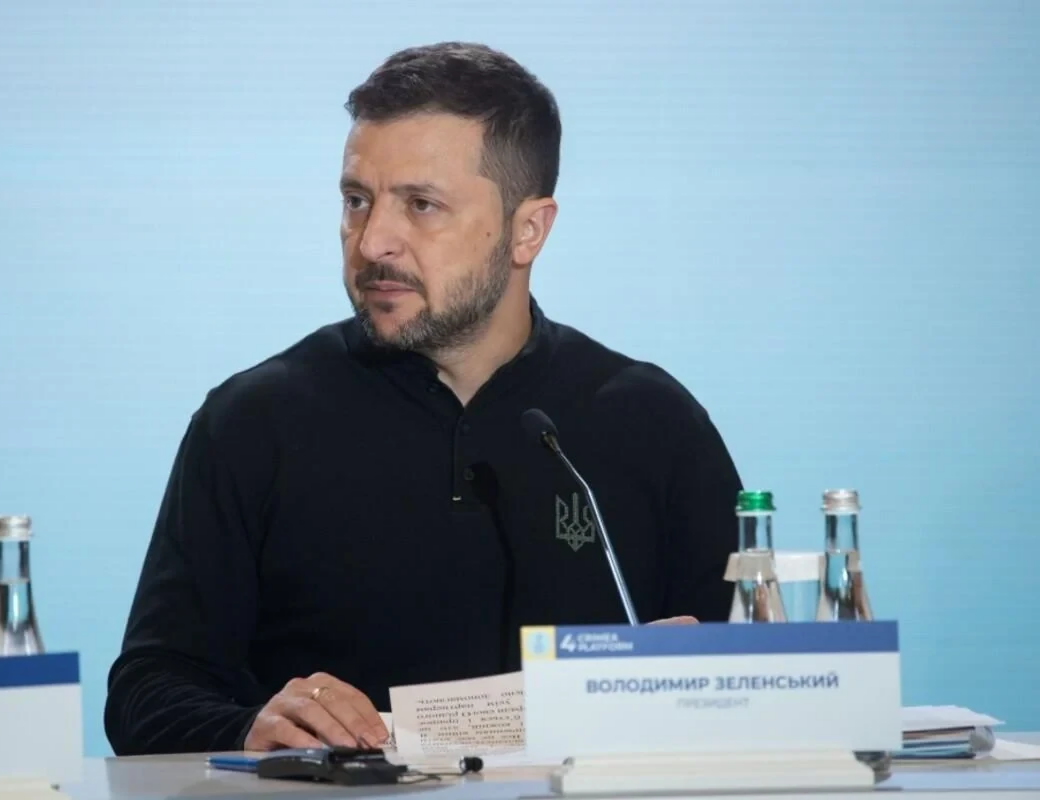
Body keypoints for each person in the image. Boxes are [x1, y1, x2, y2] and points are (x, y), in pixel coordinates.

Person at [104, 41, 743, 757]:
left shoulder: (651, 421)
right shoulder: (253, 421)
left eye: (422, 205)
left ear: (528, 230)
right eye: (357, 201)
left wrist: (705, 683)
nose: (373, 241)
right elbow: (145, 693)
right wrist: (250, 726)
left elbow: (760, 679)